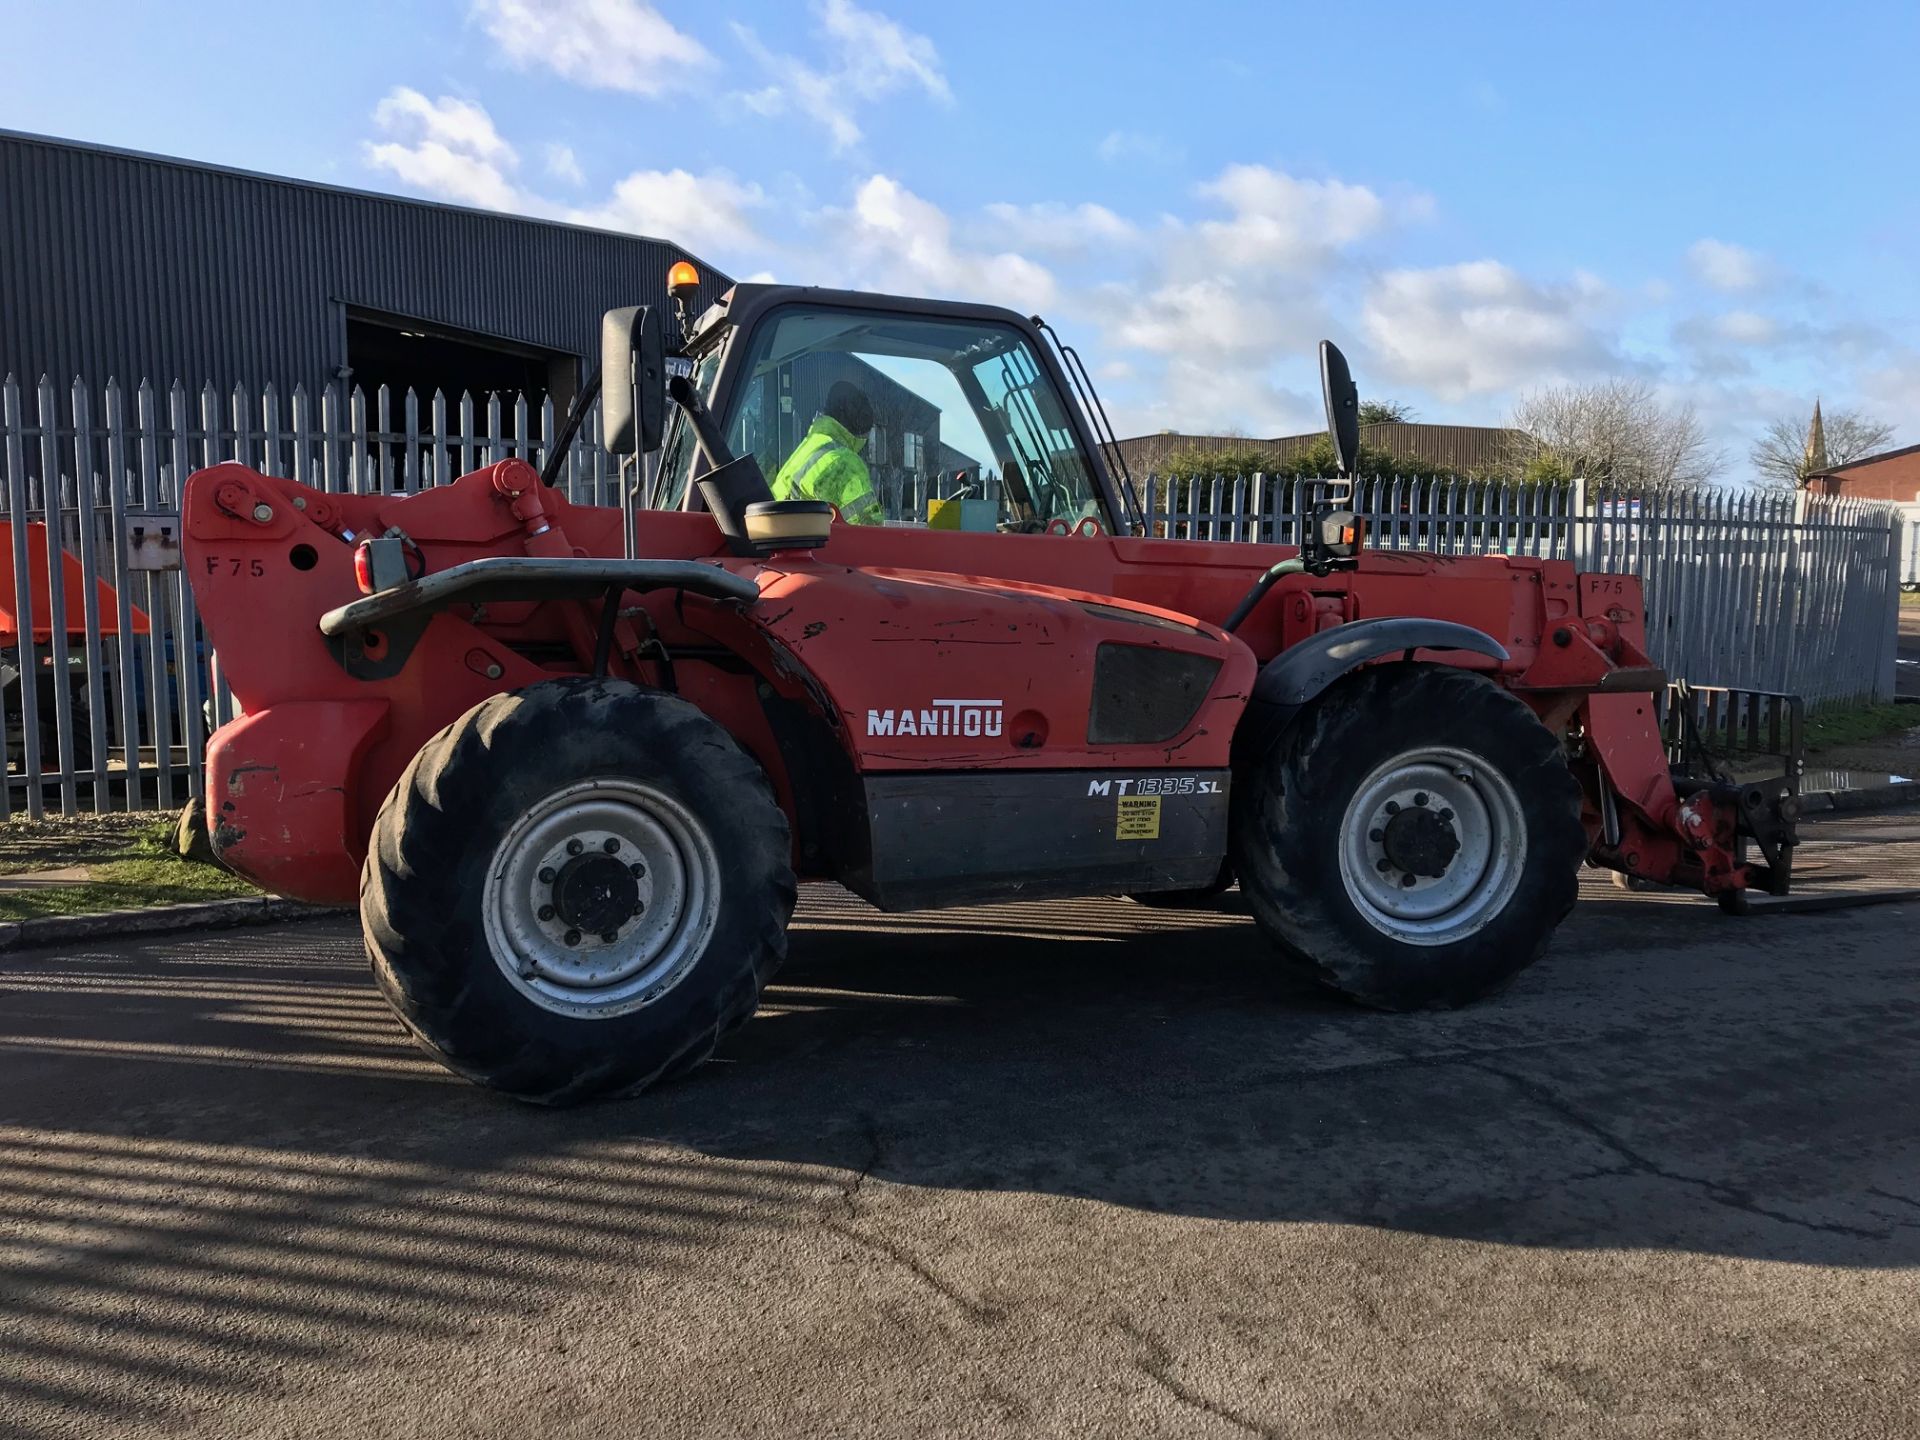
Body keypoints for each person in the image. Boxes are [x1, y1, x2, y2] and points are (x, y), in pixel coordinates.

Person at [771, 381, 884, 525]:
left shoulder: (811, 445)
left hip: (784, 538)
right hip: (808, 544)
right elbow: (869, 531)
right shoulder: (845, 463)